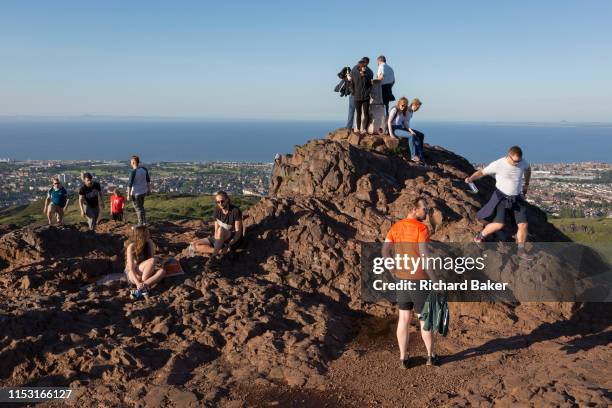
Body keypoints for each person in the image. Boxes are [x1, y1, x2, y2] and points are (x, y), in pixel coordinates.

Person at [382, 197, 439, 368]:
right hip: (419, 279)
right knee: (424, 318)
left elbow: (385, 250)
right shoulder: (421, 228)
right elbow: (424, 256)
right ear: (414, 209)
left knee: (404, 318)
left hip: (401, 279)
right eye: (424, 208)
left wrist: (392, 270)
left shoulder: (396, 226)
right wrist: (435, 281)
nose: (427, 212)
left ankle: (403, 358)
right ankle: (430, 356)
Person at [466, 146, 532, 259]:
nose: (517, 163)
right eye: (515, 161)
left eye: (519, 161)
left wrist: (526, 184)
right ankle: (479, 237)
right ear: (509, 156)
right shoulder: (499, 164)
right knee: (499, 224)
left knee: (523, 224)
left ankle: (521, 251)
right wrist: (471, 178)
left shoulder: (523, 162)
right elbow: (482, 172)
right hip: (501, 197)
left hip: (517, 197)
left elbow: (528, 169)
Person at [189, 191, 243, 262]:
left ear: (227, 200)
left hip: (230, 238)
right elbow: (216, 229)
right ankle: (220, 251)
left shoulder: (235, 211)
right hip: (219, 237)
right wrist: (216, 242)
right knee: (193, 245)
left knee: (221, 229)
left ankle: (213, 257)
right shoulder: (217, 210)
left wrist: (228, 245)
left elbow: (238, 233)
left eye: (222, 201)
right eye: (218, 202)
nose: (220, 204)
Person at [125, 225, 166, 299]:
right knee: (153, 260)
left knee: (162, 271)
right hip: (133, 274)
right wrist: (137, 283)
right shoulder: (131, 247)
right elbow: (131, 268)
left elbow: (151, 262)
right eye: (147, 233)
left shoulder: (149, 243)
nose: (149, 235)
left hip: (145, 273)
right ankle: (143, 288)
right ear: (141, 235)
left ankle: (141, 289)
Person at [388, 98, 425, 163]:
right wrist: (391, 134)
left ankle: (420, 155)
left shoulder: (403, 111)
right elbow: (389, 122)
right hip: (394, 128)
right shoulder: (394, 109)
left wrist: (410, 130)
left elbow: (405, 123)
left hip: (400, 128)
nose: (403, 107)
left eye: (405, 106)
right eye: (402, 105)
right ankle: (413, 156)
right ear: (399, 103)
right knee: (411, 136)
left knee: (417, 136)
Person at [351, 57, 374, 134]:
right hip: (357, 97)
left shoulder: (368, 75)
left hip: (365, 97)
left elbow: (370, 85)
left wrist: (368, 92)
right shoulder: (354, 74)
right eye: (363, 66)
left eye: (365, 66)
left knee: (366, 113)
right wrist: (353, 93)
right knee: (358, 113)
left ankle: (364, 129)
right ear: (360, 67)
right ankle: (358, 129)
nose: (365, 68)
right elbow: (352, 84)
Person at [127, 155, 151, 226]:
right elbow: (148, 180)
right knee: (141, 207)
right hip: (143, 192)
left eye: (131, 161)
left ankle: (140, 223)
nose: (130, 163)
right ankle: (144, 222)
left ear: (134, 162)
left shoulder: (133, 172)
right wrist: (149, 190)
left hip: (136, 193)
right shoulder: (144, 169)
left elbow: (129, 185)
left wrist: (128, 195)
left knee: (138, 208)